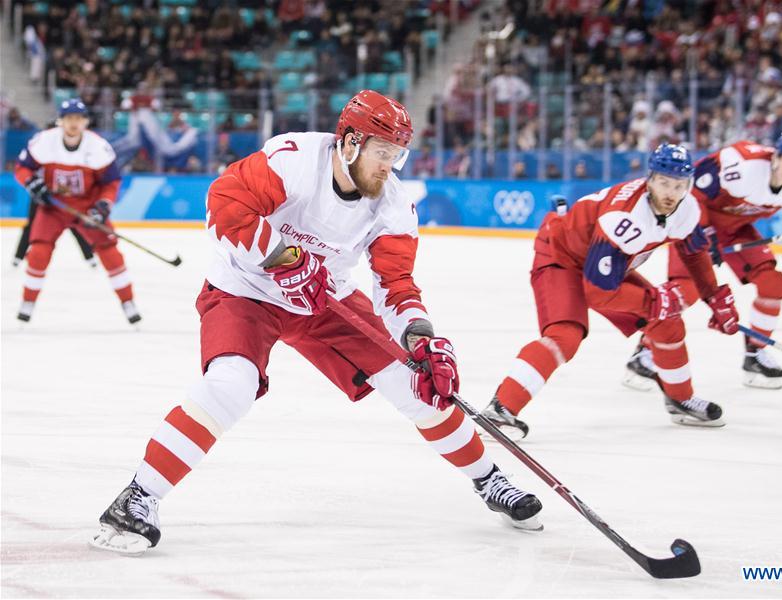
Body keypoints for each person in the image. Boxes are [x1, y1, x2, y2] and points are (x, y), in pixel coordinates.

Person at [89, 90, 543, 556]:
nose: (390, 166)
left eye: (397, 155)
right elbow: (225, 203)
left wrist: (420, 336)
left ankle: (489, 480)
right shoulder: (294, 160)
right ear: (349, 142)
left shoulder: (392, 204)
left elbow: (396, 282)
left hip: (326, 298)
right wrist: (285, 258)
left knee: (418, 385)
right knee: (231, 384)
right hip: (246, 288)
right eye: (382, 153)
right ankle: (138, 497)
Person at [481, 144, 740, 438]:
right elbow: (598, 292)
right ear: (650, 179)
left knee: (667, 324)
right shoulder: (624, 217)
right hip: (561, 256)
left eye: (679, 185)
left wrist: (713, 295)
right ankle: (500, 409)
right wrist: (655, 302)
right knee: (565, 335)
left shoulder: (687, 207)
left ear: (688, 184)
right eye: (664, 182)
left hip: (603, 265)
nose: (670, 192)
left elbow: (693, 254)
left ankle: (680, 399)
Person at [622, 132, 782, 390]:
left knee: (773, 283)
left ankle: (756, 354)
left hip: (735, 231)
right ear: (776, 157)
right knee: (687, 291)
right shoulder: (743, 164)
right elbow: (693, 193)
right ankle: (645, 353)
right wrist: (704, 234)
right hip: (694, 226)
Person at [13, 98, 140, 324]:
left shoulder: (99, 148)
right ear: (60, 121)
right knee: (39, 252)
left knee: (110, 251)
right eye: (69, 118)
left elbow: (111, 183)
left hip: (87, 205)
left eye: (78, 118)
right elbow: (22, 168)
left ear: (85, 122)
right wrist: (32, 184)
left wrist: (103, 206)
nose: (74, 123)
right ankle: (28, 301)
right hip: (54, 205)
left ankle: (127, 301)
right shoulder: (44, 141)